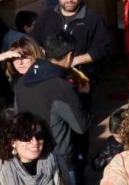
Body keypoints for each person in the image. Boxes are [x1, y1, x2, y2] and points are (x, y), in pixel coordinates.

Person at [15, 31, 91, 185]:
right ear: (70, 56)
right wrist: (84, 95)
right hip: (60, 158)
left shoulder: (21, 82)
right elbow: (81, 126)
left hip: (31, 152)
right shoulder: (62, 87)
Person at [30, 0, 109, 77]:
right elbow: (33, 40)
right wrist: (47, 57)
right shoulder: (46, 15)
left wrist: (73, 61)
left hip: (79, 75)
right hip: (48, 73)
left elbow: (102, 49)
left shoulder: (93, 19)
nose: (69, 0)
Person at [0, 112, 71, 185]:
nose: (35, 142)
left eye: (39, 135)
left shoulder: (55, 161)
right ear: (13, 142)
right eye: (26, 137)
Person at [92, 108, 125, 172]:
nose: (117, 140)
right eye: (115, 136)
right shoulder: (110, 143)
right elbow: (97, 162)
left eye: (120, 137)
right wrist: (106, 161)